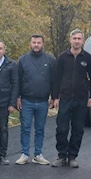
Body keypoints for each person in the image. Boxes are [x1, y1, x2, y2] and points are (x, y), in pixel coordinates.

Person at [51, 29, 91, 168]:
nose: (77, 41)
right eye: (74, 38)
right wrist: (55, 97)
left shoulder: (87, 58)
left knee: (78, 129)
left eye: (79, 39)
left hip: (81, 99)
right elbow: (56, 78)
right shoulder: (62, 57)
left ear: (83, 41)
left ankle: (72, 157)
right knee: (62, 128)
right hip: (64, 98)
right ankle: (61, 155)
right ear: (70, 40)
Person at [15, 34, 55, 165]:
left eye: (38, 42)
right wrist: (17, 97)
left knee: (40, 129)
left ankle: (38, 154)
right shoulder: (23, 60)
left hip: (43, 101)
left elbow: (54, 80)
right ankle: (24, 154)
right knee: (25, 128)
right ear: (30, 44)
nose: (36, 45)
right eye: (34, 42)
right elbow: (17, 80)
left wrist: (54, 97)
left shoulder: (50, 60)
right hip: (27, 100)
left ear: (43, 44)